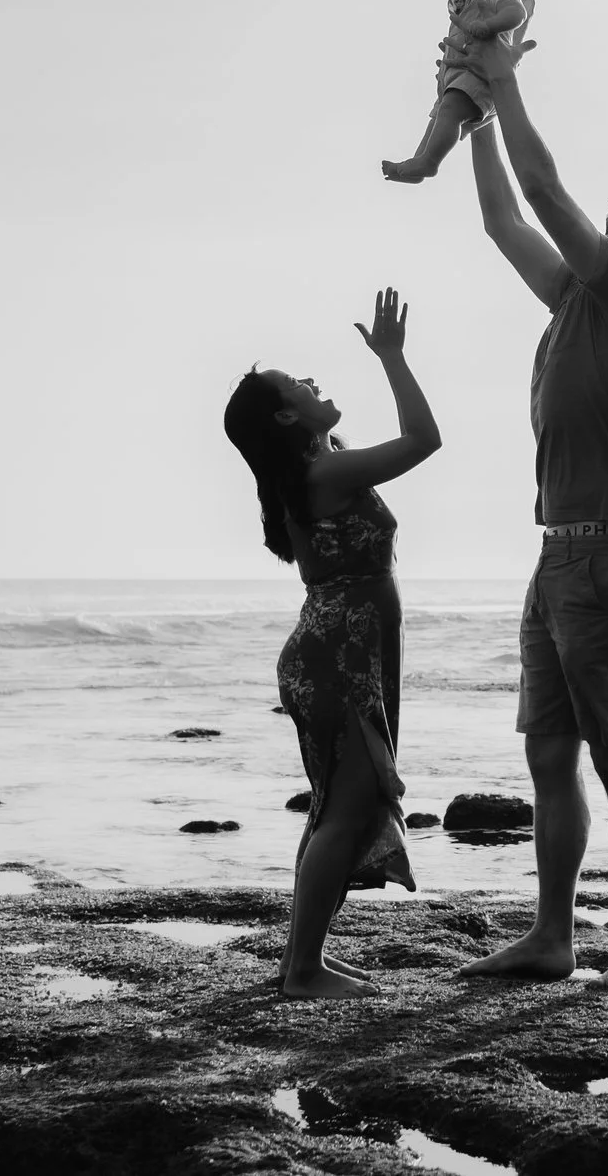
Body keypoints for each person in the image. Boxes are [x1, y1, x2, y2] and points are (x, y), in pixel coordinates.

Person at [453, 37, 608, 989]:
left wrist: (506, 80)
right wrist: (472, 116)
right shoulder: (574, 303)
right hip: (556, 560)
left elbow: (547, 191)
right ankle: (554, 936)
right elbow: (506, 217)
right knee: (551, 755)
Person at [221, 288, 440, 998]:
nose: (316, 384)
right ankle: (305, 971)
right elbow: (422, 440)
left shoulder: (317, 467)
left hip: (344, 648)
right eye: (300, 385)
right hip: (339, 654)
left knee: (336, 809)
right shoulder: (321, 474)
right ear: (286, 414)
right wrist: (393, 358)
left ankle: (298, 962)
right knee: (345, 810)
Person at [382, 0, 535, 183]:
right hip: (460, 74)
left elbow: (516, 13)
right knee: (440, 116)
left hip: (478, 77)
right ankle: (418, 162)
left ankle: (429, 161)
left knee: (449, 111)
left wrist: (488, 26)